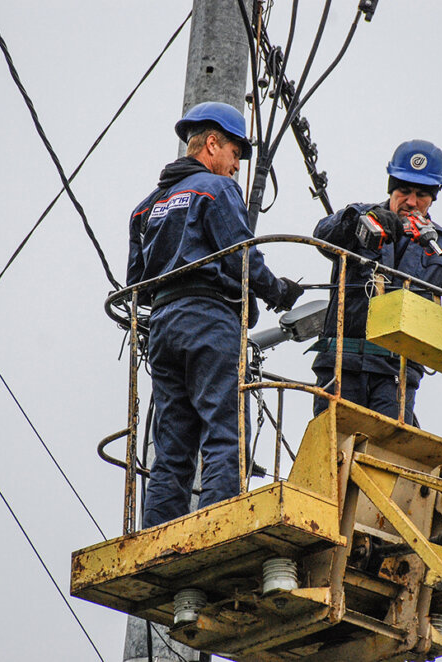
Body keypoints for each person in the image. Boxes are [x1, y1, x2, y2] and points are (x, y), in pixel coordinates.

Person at [127, 101, 303, 528]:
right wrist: (277, 290)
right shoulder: (215, 188)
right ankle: (217, 530)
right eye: (235, 154)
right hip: (210, 323)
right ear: (211, 144)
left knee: (170, 449)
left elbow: (136, 279)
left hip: (164, 329)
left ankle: (158, 536)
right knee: (226, 433)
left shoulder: (145, 207)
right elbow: (241, 255)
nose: (237, 166)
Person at [309, 139, 442, 425]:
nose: (411, 202)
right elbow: (322, 235)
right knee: (334, 446)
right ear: (391, 186)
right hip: (342, 365)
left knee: (386, 452)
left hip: (395, 373)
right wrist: (361, 219)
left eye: (422, 194)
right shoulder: (361, 218)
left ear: (434, 197)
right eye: (404, 191)